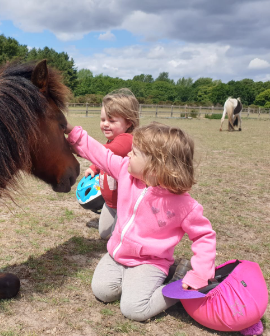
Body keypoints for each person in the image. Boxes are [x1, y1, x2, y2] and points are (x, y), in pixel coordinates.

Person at [65, 121, 216, 322]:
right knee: (103, 292)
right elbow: (101, 154)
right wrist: (70, 130)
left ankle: (177, 284)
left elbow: (204, 236)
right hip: (117, 256)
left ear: (155, 166)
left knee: (134, 309)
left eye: (134, 153)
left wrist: (201, 273)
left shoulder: (184, 205)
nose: (128, 155)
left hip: (149, 262)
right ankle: (138, 281)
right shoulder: (125, 172)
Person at [85, 89, 139, 239]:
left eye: (112, 121)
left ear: (129, 122)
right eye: (103, 120)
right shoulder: (112, 140)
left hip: (125, 206)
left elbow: (107, 152)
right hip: (110, 204)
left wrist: (82, 146)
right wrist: (93, 168)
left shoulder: (127, 139)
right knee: (104, 234)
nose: (105, 125)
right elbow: (106, 157)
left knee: (119, 239)